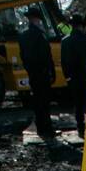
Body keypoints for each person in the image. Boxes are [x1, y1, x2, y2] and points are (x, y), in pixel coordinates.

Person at [17, 9, 55, 140]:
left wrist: (29, 69)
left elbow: (23, 55)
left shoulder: (23, 35)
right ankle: (47, 128)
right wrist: (50, 71)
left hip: (32, 73)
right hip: (42, 73)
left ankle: (40, 127)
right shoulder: (40, 35)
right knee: (44, 102)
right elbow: (46, 55)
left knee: (37, 101)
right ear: (36, 19)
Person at [61, 13, 86, 139]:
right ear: (81, 25)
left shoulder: (66, 41)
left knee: (78, 104)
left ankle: (80, 128)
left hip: (74, 78)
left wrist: (67, 77)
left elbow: (64, 62)